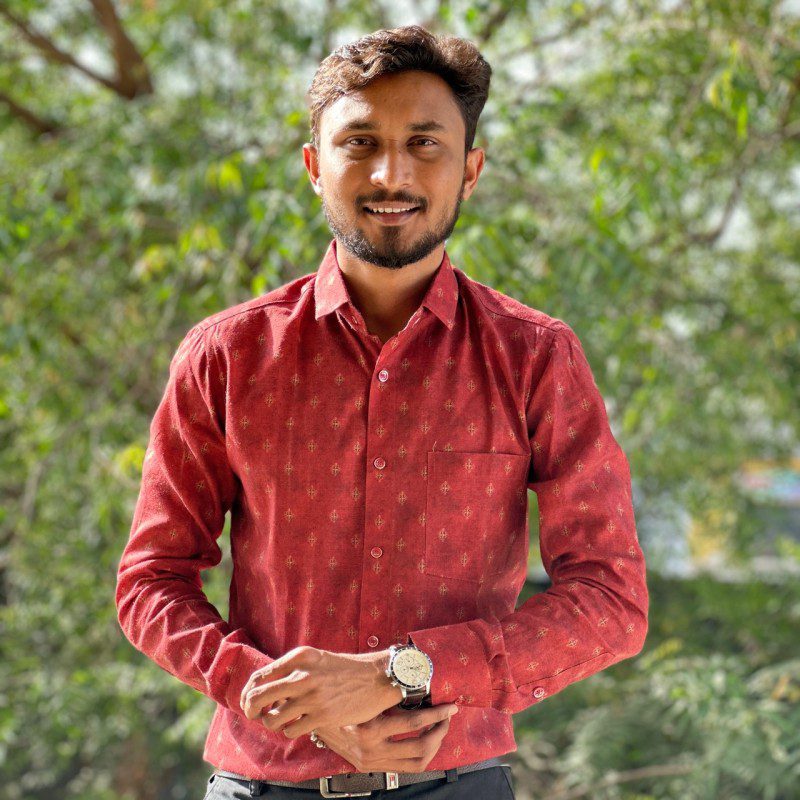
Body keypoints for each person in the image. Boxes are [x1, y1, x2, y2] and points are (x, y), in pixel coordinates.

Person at [115, 23, 649, 800]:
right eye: (359, 143)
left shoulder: (536, 357)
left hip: (459, 787)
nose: (391, 174)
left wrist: (404, 672)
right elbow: (151, 581)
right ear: (313, 166)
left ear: (470, 171)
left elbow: (610, 601)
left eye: (424, 144)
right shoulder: (226, 355)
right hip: (260, 785)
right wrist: (286, 701)